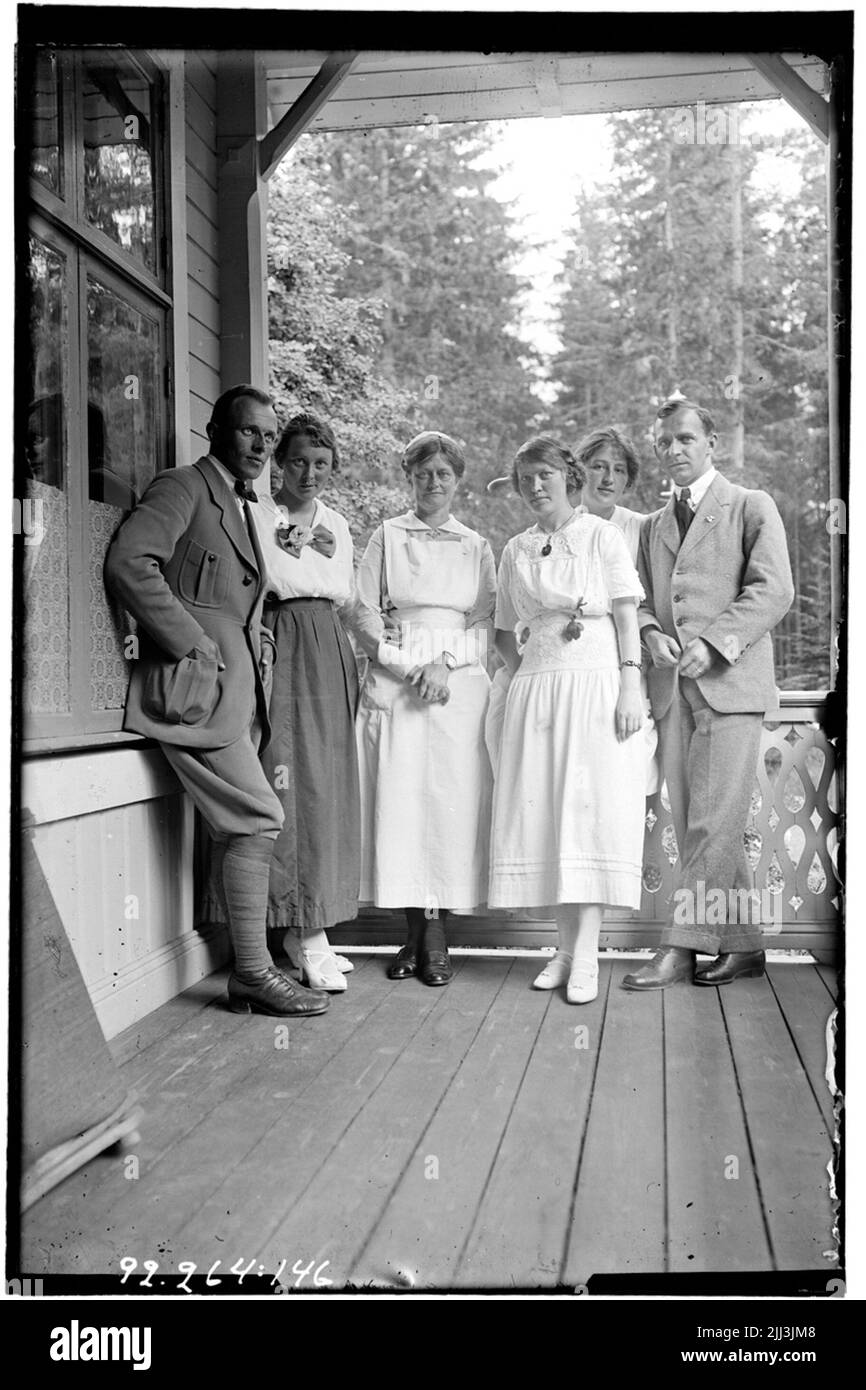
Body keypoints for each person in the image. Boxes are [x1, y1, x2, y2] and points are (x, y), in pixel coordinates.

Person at [104, 384, 329, 1018]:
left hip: (234, 694)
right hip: (194, 694)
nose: (260, 444)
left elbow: (229, 593)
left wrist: (253, 636)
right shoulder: (183, 486)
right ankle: (253, 973)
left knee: (248, 825)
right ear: (215, 432)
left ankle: (252, 970)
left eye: (267, 433)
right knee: (259, 818)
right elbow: (130, 561)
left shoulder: (239, 501)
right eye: (247, 431)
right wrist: (192, 642)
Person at [241, 411, 418, 993]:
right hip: (279, 645)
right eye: (297, 462)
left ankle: (309, 926)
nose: (309, 473)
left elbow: (348, 605)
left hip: (330, 653)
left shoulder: (338, 526)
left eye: (321, 464)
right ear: (278, 462)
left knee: (328, 787)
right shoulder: (254, 514)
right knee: (289, 783)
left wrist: (395, 652)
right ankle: (303, 932)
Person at [622, 398, 795, 991]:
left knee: (710, 825)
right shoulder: (652, 525)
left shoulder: (750, 506)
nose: (673, 450)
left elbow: (774, 591)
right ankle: (743, 946)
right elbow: (640, 599)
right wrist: (649, 633)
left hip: (731, 688)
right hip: (674, 694)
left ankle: (680, 945)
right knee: (705, 822)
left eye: (685, 438)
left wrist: (717, 642)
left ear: (711, 442)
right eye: (664, 442)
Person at [488, 435, 647, 1004]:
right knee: (551, 816)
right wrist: (533, 674)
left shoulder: (601, 535)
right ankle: (561, 949)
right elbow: (504, 632)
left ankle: (587, 956)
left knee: (589, 814)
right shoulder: (515, 550)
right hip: (539, 691)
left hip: (599, 684)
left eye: (546, 476)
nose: (535, 487)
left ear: (568, 478)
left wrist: (630, 684)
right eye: (526, 478)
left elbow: (627, 616)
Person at [356, 430, 496, 986]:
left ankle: (435, 934)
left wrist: (440, 662)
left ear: (457, 480)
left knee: (448, 804)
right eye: (423, 473)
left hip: (457, 679)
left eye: (444, 474)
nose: (433, 483)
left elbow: (486, 621)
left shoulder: (476, 545)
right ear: (409, 478)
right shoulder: (385, 537)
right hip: (398, 679)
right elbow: (362, 612)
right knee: (403, 800)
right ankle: (415, 933)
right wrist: (404, 665)